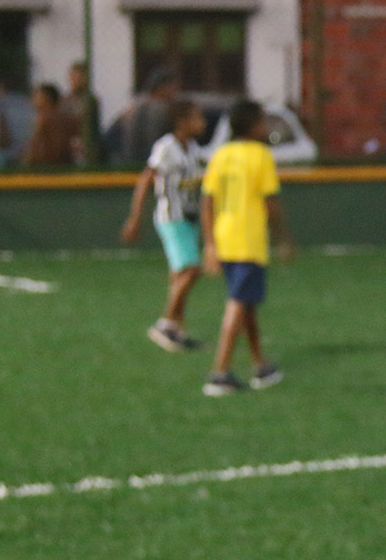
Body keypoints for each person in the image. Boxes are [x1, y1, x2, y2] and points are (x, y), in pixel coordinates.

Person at [200, 100, 293, 395]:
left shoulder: (221, 154)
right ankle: (220, 372)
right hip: (248, 240)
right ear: (253, 126)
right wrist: (282, 238)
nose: (266, 128)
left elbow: (207, 200)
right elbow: (271, 203)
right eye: (263, 122)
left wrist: (210, 244)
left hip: (225, 237)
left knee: (247, 303)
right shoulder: (261, 156)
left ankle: (260, 365)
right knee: (238, 302)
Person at [121, 98, 209, 352]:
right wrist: (135, 218)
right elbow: (146, 180)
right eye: (196, 117)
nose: (201, 122)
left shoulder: (192, 147)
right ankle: (165, 324)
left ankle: (176, 329)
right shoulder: (166, 147)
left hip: (189, 218)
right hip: (172, 218)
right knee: (191, 271)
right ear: (181, 122)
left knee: (180, 275)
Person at [22, 82, 80, 168]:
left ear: (45, 99)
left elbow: (35, 150)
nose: (33, 102)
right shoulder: (70, 120)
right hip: (67, 169)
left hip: (46, 170)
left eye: (37, 97)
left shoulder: (44, 120)